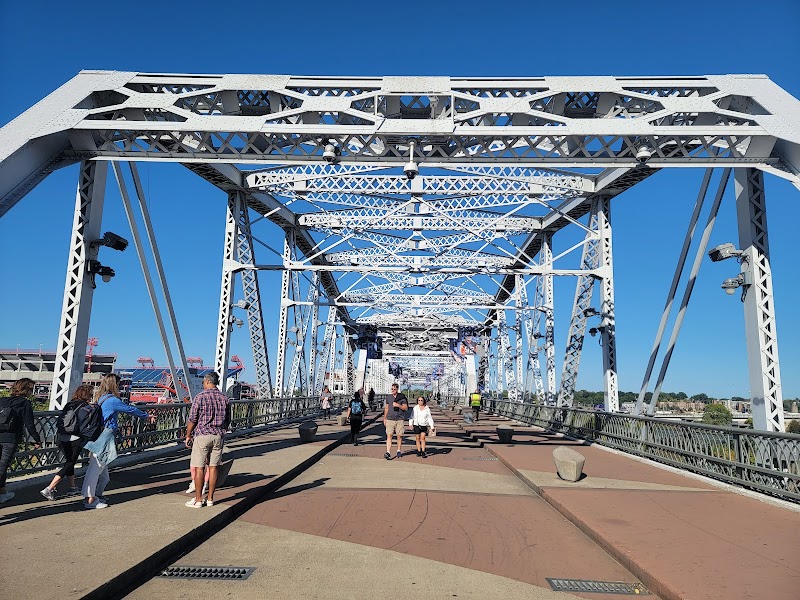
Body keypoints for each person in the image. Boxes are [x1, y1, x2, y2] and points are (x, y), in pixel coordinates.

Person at [82, 374, 154, 509]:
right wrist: (146, 415)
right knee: (96, 467)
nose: (121, 387)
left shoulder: (101, 398)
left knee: (102, 471)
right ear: (114, 385)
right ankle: (90, 499)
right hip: (105, 435)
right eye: (119, 384)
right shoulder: (113, 400)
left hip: (99, 435)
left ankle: (97, 494)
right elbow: (130, 409)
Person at [40, 383, 94, 501]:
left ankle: (72, 487)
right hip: (75, 437)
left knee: (69, 462)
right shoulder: (85, 407)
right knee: (69, 463)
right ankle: (50, 487)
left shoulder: (69, 404)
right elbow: (85, 425)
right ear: (87, 395)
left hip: (63, 437)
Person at [184, 372, 230, 508]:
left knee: (199, 468)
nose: (203, 384)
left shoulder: (200, 397)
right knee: (214, 467)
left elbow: (193, 419)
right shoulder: (225, 398)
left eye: (203, 382)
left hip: (202, 435)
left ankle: (198, 500)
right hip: (218, 436)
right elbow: (228, 419)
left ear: (208, 381)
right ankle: (210, 499)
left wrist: (188, 435)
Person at [0, 378, 43, 504]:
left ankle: (2, 493)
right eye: (31, 390)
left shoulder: (2, 400)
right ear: (26, 390)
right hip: (10, 439)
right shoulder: (25, 403)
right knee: (2, 467)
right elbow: (29, 424)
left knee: (2, 468)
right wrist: (36, 439)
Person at [383, 383, 407, 460]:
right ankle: (388, 452)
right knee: (389, 435)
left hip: (399, 419)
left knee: (399, 436)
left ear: (397, 389)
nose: (393, 390)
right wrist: (385, 418)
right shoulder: (388, 397)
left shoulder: (402, 397)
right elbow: (386, 408)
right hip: (390, 419)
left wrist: (398, 405)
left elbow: (405, 408)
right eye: (392, 389)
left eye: (394, 389)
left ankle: (398, 450)